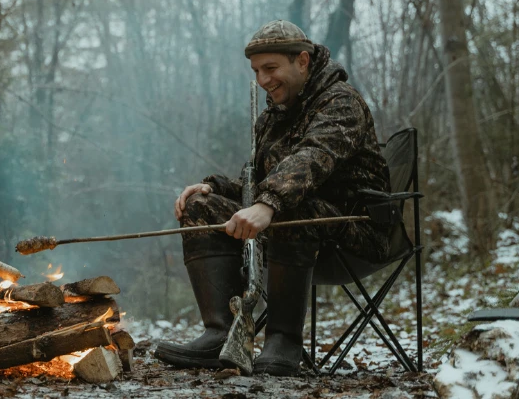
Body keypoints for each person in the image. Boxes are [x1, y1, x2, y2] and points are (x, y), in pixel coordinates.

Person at [153, 20, 390, 376]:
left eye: (271, 68)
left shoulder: (342, 102)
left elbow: (311, 158)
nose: (263, 80)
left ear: (303, 61)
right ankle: (219, 334)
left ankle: (283, 340)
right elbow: (259, 182)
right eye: (256, 71)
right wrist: (213, 188)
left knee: (292, 208)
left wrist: (267, 206)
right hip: (290, 222)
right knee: (201, 207)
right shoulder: (272, 115)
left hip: (355, 227)